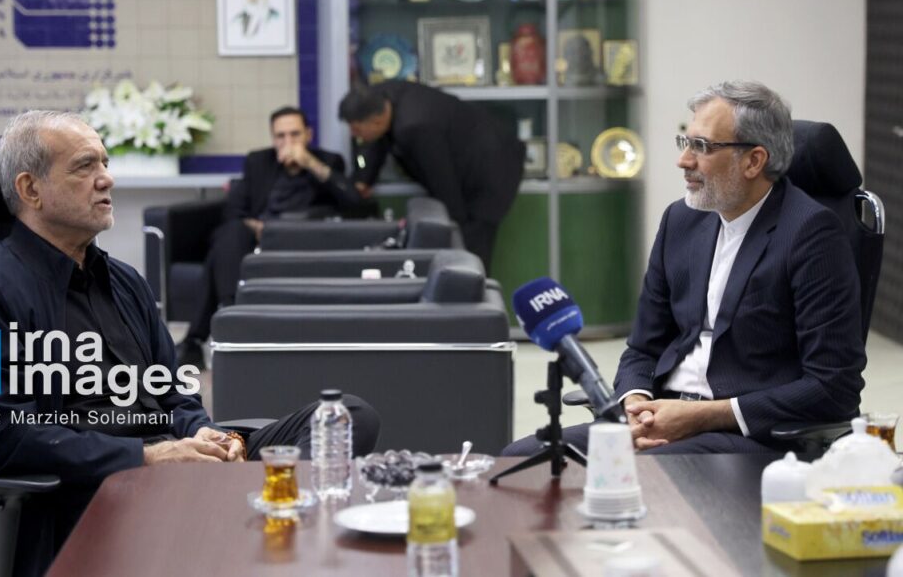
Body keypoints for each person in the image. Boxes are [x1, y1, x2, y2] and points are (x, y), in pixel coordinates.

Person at [0, 110, 380, 577]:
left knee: (347, 416)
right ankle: (245, 527)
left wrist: (203, 435)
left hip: (168, 467)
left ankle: (243, 516)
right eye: (85, 166)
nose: (106, 179)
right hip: (82, 490)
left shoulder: (124, 281)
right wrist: (145, 458)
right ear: (30, 189)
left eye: (105, 163)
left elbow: (173, 391)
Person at [504, 80, 865, 456]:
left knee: (647, 473)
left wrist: (701, 416)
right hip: (661, 417)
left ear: (754, 161)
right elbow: (643, 347)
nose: (684, 160)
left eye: (702, 147)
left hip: (745, 435)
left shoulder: (810, 233)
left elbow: (833, 386)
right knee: (520, 458)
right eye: (685, 142)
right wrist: (634, 403)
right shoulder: (682, 220)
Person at [174, 106, 366, 366]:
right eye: (280, 136)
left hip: (303, 238)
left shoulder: (328, 161)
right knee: (228, 235)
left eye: (295, 134)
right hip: (259, 237)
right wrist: (256, 227)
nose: (288, 142)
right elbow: (233, 211)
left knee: (217, 256)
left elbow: (354, 203)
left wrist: (310, 163)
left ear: (308, 135)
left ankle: (198, 339)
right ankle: (230, 311)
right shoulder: (259, 162)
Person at [338, 81, 525, 272]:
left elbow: (444, 185)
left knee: (470, 248)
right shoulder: (380, 97)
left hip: (490, 171)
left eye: (357, 129)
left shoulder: (416, 127)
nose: (354, 135)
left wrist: (455, 228)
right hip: (467, 159)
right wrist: (364, 179)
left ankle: (472, 285)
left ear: (377, 120)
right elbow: (378, 142)